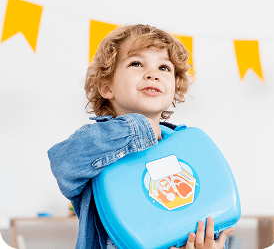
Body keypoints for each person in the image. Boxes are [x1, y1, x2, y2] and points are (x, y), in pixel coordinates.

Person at [48, 24, 234, 249]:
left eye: (164, 68)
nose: (153, 74)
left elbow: (203, 208)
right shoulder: (94, 143)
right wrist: (139, 128)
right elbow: (64, 163)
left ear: (175, 87)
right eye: (136, 63)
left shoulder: (188, 146)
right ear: (107, 86)